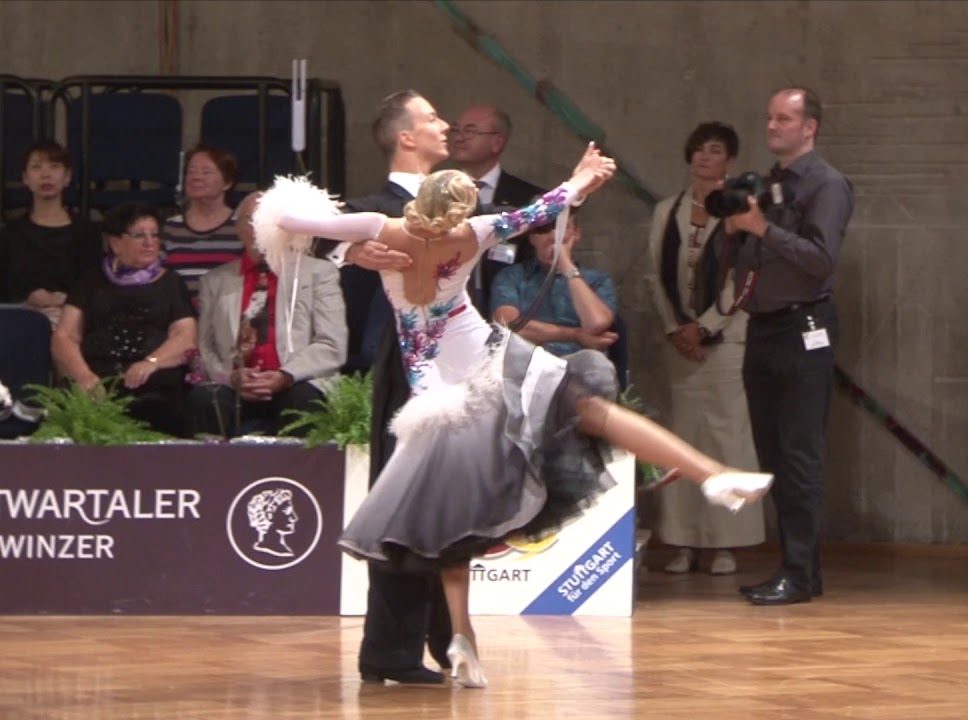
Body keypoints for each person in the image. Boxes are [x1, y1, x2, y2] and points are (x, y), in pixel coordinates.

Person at [254, 142, 773, 688]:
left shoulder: (380, 227)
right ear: (461, 210)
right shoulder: (472, 234)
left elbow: (286, 216)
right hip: (491, 363)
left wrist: (345, 240)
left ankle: (462, 636)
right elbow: (547, 207)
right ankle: (712, 476)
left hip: (435, 391)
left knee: (451, 518)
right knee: (591, 409)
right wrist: (583, 178)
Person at [313, 89, 451, 686]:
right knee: (406, 507)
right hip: (408, 375)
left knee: (450, 507)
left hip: (462, 367)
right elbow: (298, 229)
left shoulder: (455, 199)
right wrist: (349, 249)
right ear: (406, 137)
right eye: (432, 118)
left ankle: (451, 640)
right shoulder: (376, 205)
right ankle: (389, 651)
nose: (444, 125)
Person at [727, 87, 854, 606]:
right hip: (763, 327)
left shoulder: (827, 184)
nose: (773, 126)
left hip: (805, 329)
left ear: (810, 127)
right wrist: (735, 229)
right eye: (769, 117)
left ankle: (800, 574)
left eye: (785, 118)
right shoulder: (768, 183)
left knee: (800, 456)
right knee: (773, 454)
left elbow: (821, 260)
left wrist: (761, 228)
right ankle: (796, 568)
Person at [644, 121, 764, 576]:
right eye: (698, 150)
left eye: (714, 151)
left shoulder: (740, 209)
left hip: (727, 343)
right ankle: (683, 541)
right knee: (682, 442)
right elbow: (656, 274)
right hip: (680, 347)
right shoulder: (666, 209)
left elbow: (745, 279)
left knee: (725, 439)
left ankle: (724, 545)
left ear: (729, 160)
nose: (704, 158)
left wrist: (706, 328)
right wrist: (677, 328)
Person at [188, 192, 346, 438]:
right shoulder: (215, 280)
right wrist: (230, 376)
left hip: (296, 381)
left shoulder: (319, 273)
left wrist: (286, 375)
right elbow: (205, 346)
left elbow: (331, 344)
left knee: (303, 400)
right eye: (252, 220)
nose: (259, 229)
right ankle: (211, 473)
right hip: (236, 385)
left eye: (269, 221)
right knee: (206, 399)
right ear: (238, 228)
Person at [52, 203, 197, 436]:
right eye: (140, 235)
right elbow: (64, 336)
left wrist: (152, 362)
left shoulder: (171, 283)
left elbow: (185, 336)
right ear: (115, 243)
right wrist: (84, 377)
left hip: (153, 380)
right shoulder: (90, 280)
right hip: (96, 377)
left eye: (154, 234)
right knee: (68, 405)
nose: (150, 242)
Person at [448, 104, 546, 316]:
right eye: (456, 129)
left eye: (470, 131)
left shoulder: (529, 199)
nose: (459, 137)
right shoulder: (437, 193)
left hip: (509, 315)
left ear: (497, 142)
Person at [490, 209, 619, 358]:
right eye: (544, 230)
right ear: (532, 237)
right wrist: (575, 335)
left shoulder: (598, 280)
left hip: (578, 360)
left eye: (563, 228)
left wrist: (567, 267)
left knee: (597, 364)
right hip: (527, 357)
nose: (553, 236)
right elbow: (509, 325)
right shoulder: (512, 276)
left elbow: (597, 324)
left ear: (576, 234)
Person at [0, 140, 101, 327]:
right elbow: (6, 289)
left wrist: (65, 301)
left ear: (67, 176)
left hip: (73, 318)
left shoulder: (86, 231)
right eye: (36, 167)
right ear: (25, 178)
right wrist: (27, 300)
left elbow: (93, 286)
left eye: (54, 166)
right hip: (22, 318)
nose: (45, 175)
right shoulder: (10, 233)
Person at [162, 144, 243, 301]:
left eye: (206, 172)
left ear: (227, 183)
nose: (196, 177)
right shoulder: (171, 227)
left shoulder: (241, 227)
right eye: (191, 172)